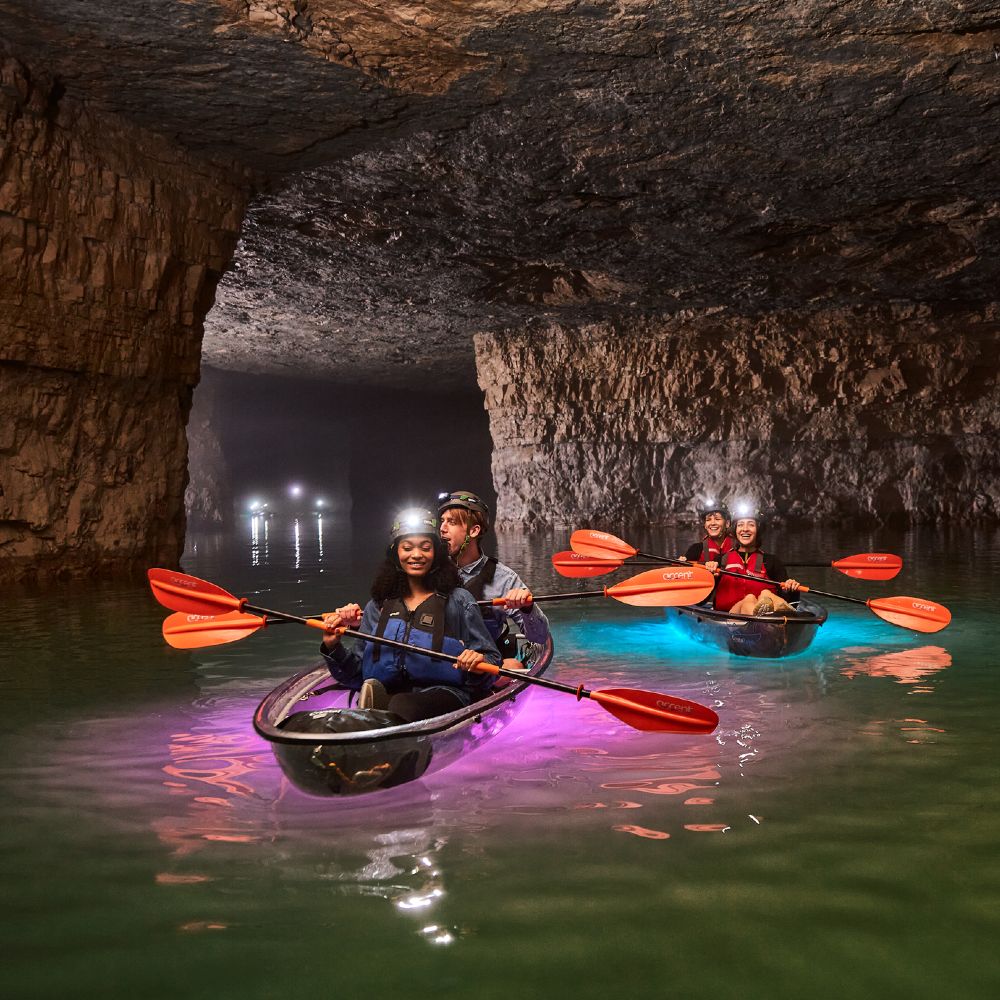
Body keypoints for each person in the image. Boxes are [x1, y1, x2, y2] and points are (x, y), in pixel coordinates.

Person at [319, 507, 502, 722]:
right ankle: (375, 720)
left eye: (426, 548)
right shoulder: (377, 607)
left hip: (447, 694)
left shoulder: (459, 600)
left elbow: (491, 660)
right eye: (407, 548)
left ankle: (375, 720)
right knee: (379, 693)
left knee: (400, 705)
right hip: (389, 693)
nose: (416, 555)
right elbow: (356, 674)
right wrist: (333, 647)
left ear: (436, 554)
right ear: (396, 554)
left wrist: (477, 661)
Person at [436, 490, 549, 656]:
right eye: (442, 521)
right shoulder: (430, 570)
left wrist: (527, 608)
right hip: (439, 662)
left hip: (483, 665)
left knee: (514, 665)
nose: (442, 528)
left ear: (473, 531)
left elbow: (539, 637)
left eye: (451, 522)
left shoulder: (504, 578)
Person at [712, 510, 802, 615]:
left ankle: (780, 616)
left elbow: (791, 601)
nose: (745, 529)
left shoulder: (771, 561)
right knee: (749, 598)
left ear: (758, 530)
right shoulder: (719, 561)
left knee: (766, 593)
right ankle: (768, 621)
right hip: (730, 617)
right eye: (740, 525)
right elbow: (702, 599)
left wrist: (792, 589)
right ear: (735, 530)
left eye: (751, 525)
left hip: (769, 619)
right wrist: (709, 574)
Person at [682, 500, 734, 575]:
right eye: (708, 520)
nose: (712, 523)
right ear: (705, 525)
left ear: (727, 524)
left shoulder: (738, 547)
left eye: (717, 519)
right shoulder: (696, 549)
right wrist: (681, 564)